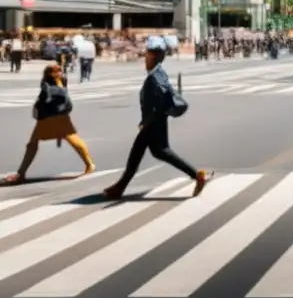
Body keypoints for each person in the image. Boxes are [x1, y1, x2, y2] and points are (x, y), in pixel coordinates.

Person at [103, 36, 212, 199]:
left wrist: (146, 122)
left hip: (153, 123)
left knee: (136, 155)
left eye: (148, 54)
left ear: (154, 56)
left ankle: (119, 188)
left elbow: (158, 102)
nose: (145, 58)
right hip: (156, 121)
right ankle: (197, 175)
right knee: (161, 152)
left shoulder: (154, 79)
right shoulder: (159, 73)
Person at [7, 64, 94, 183]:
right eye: (57, 70)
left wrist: (38, 107)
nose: (59, 72)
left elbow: (44, 99)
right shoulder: (62, 81)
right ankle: (89, 164)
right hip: (61, 117)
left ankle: (21, 173)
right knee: (73, 139)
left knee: (33, 145)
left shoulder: (47, 83)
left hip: (47, 118)